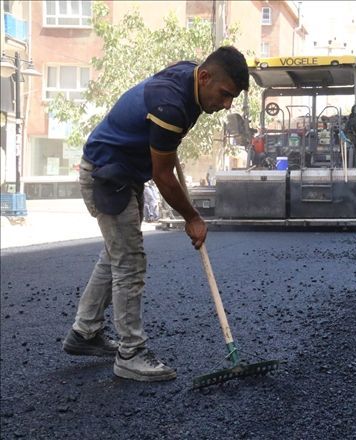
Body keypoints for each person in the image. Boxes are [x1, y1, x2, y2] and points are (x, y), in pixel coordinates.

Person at [61, 46, 249, 382]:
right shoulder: (170, 106)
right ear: (204, 77)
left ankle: (85, 332)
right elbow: (164, 176)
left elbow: (170, 71)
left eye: (231, 98)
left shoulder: (189, 73)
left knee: (117, 252)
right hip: (107, 174)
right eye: (224, 95)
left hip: (125, 170)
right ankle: (130, 354)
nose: (226, 105)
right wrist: (192, 217)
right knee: (129, 260)